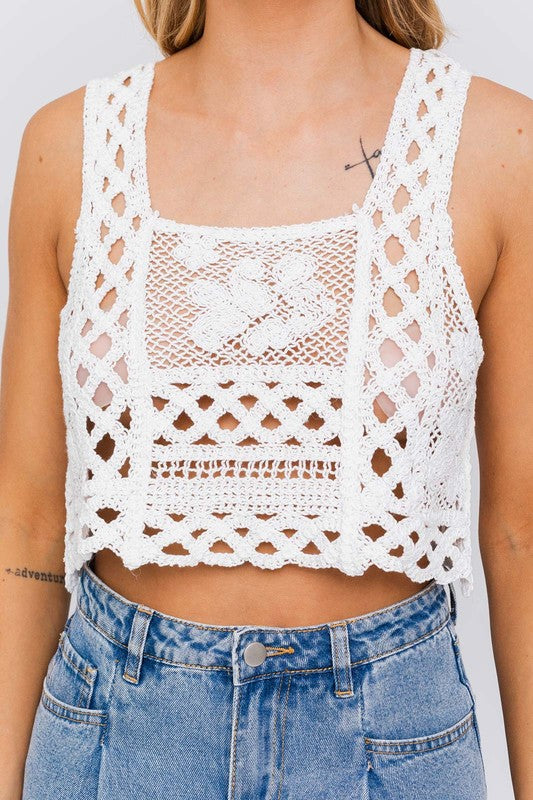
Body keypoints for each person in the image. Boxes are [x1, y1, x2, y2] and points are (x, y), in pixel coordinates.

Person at [1, 0, 531, 797]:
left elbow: (521, 530)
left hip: (389, 742)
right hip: (115, 736)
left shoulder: (499, 144)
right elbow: (27, 523)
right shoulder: (69, 145)